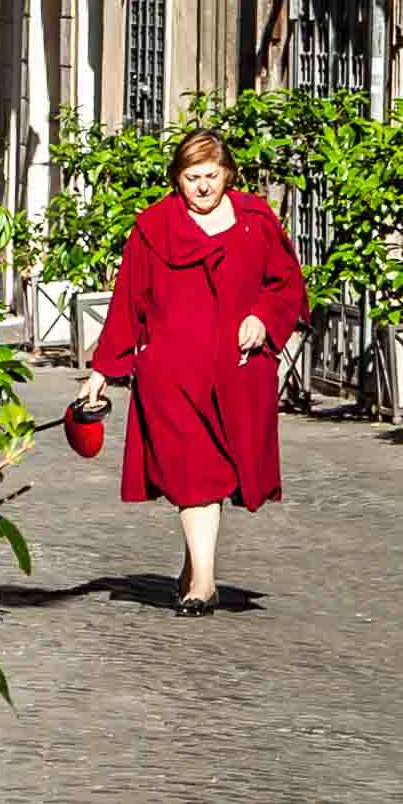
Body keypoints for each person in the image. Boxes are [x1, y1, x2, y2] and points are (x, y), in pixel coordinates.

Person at [74, 123, 308, 612]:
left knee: (216, 473)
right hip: (170, 375)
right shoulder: (153, 228)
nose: (202, 187)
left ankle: (192, 567)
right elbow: (128, 302)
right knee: (192, 473)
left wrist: (262, 319)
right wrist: (102, 371)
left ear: (228, 175)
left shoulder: (255, 220)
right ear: (176, 179)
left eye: (211, 175)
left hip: (236, 374)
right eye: (191, 177)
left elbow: (285, 284)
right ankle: (203, 582)